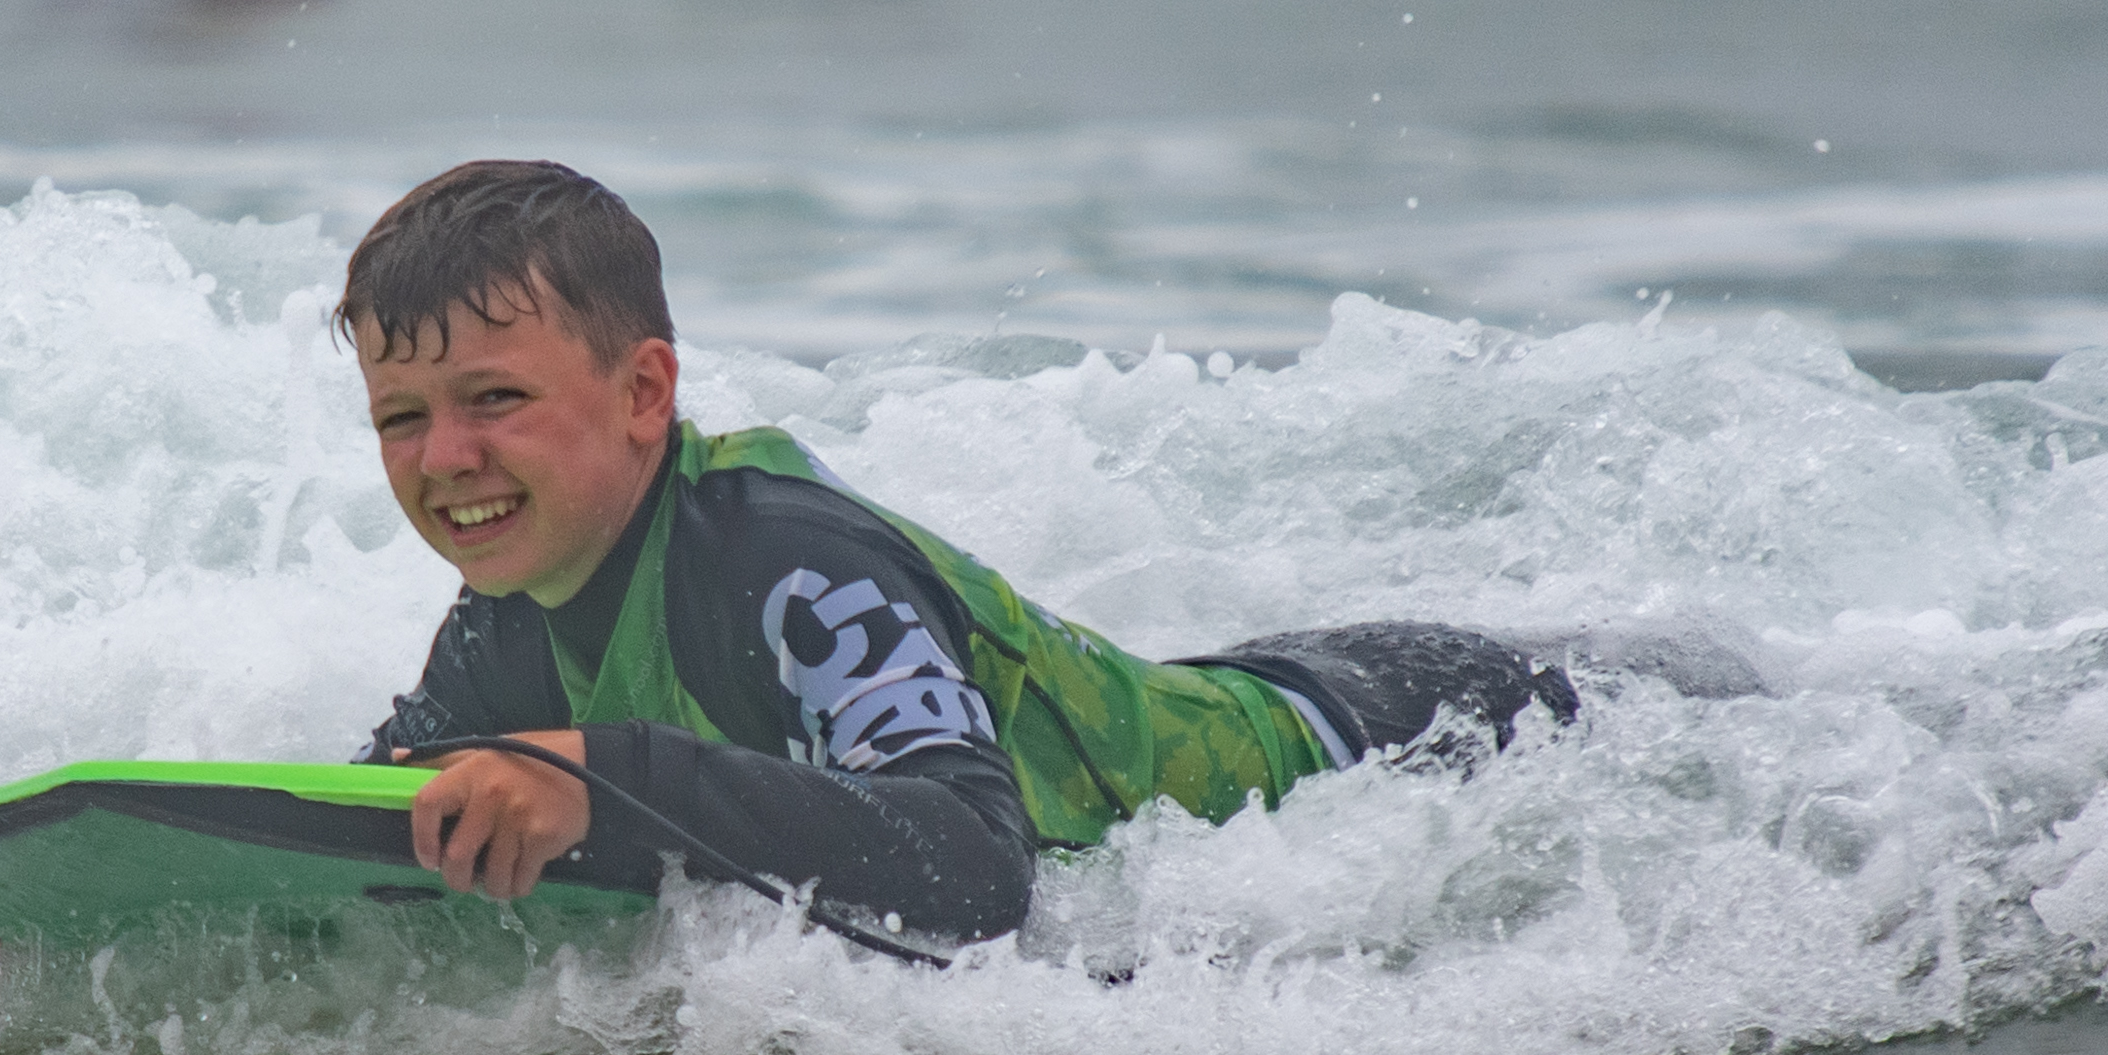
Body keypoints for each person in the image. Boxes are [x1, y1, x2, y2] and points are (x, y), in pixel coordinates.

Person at [346, 160, 1588, 947]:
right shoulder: (512, 614)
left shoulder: (790, 567)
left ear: (644, 391)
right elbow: (398, 806)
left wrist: (606, 778)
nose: (444, 454)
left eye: (493, 400)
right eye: (401, 417)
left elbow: (977, 866)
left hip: (1405, 728)